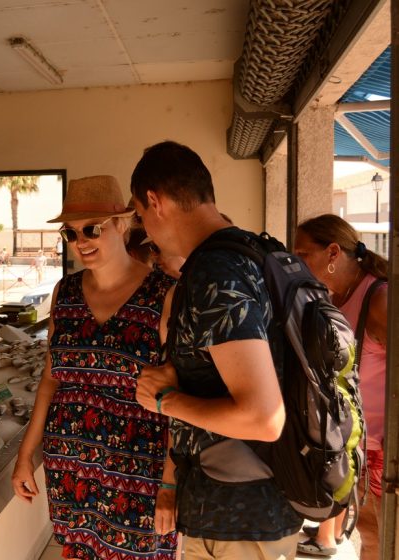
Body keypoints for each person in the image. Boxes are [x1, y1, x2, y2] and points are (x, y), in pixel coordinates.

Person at [131, 141, 301, 559]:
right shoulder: (255, 251)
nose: (144, 227)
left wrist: (166, 400)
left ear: (155, 201)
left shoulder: (216, 272)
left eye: (139, 214)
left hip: (242, 521)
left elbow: (263, 418)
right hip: (242, 511)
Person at [11, 175, 178, 559]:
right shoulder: (64, 292)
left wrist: (171, 482)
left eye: (91, 229)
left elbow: (178, 400)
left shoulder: (164, 294)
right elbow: (51, 380)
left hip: (139, 471)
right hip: (71, 469)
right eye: (71, 234)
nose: (81, 241)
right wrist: (25, 456)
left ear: (123, 223)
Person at [293, 214, 388, 559]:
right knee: (371, 534)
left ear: (333, 252)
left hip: (387, 451)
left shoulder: (379, 297)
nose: (296, 261)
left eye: (303, 254)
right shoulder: (337, 296)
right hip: (362, 446)